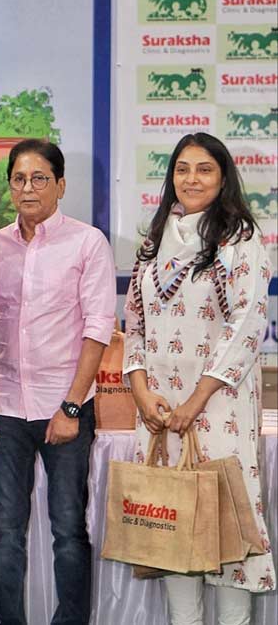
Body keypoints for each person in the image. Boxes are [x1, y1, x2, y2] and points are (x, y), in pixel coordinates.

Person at [123, 132, 275, 624]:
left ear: (224, 176)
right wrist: (143, 392)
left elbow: (248, 324)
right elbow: (136, 323)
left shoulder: (240, 239)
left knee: (227, 537)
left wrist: (198, 397)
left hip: (218, 408)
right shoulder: (153, 241)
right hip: (162, 413)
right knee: (175, 533)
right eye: (182, 168)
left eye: (204, 169)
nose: (192, 179)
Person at [0, 138, 116, 625]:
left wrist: (73, 407)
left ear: (60, 185)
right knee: (5, 531)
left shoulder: (87, 242)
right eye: (18, 179)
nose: (27, 188)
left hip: (66, 407)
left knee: (68, 529)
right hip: (8, 406)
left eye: (38, 179)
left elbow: (97, 328)